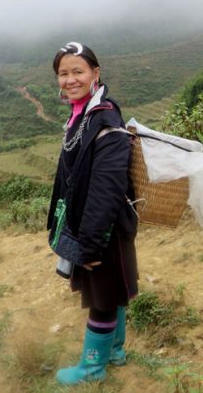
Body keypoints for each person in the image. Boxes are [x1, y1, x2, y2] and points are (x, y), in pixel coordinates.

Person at [47, 42, 138, 385]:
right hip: (95, 225)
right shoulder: (80, 114)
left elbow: (108, 188)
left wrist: (89, 243)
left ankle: (92, 368)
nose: (70, 80)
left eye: (78, 72)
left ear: (95, 74)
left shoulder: (105, 121)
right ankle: (115, 351)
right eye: (63, 73)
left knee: (101, 294)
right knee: (112, 288)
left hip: (104, 228)